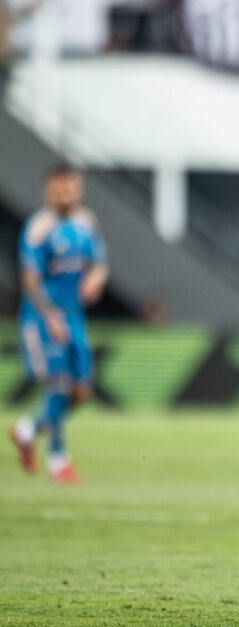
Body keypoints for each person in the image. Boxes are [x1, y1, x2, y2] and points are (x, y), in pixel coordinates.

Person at [11, 163, 108, 484]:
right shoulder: (38, 228)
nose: (66, 195)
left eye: (71, 188)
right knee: (59, 385)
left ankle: (27, 429)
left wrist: (96, 277)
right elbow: (30, 280)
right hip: (42, 317)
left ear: (79, 189)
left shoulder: (87, 222)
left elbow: (99, 262)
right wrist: (50, 315)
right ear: (49, 191)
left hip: (74, 315)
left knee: (81, 393)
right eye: (60, 189)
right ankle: (58, 460)